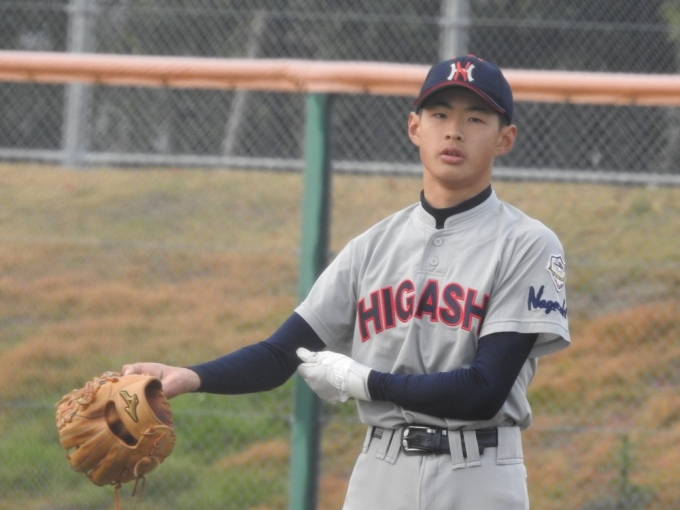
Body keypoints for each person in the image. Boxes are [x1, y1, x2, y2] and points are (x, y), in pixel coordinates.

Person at [123, 54, 570, 510]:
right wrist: (190, 376)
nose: (454, 131)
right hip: (381, 469)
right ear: (415, 127)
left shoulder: (527, 243)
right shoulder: (371, 247)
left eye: (475, 118)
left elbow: (483, 391)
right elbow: (281, 353)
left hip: (479, 472)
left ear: (505, 138)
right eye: (439, 115)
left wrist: (365, 382)